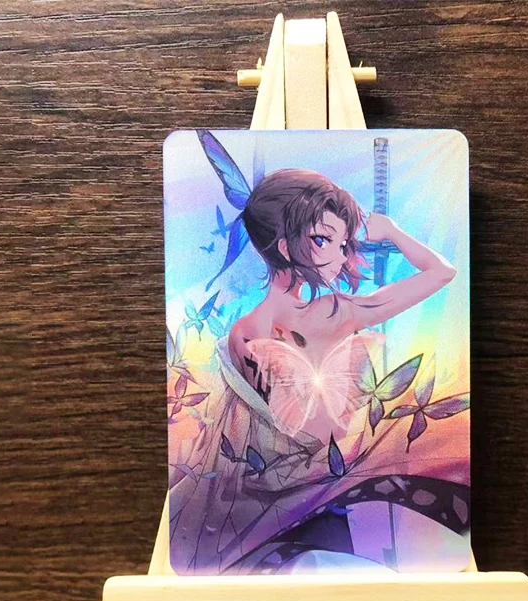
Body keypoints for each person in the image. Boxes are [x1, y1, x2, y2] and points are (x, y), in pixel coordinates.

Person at [168, 169, 470, 576]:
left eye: (344, 245)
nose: (343, 257)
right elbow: (441, 272)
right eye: (325, 241)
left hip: (250, 508)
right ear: (285, 246)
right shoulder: (334, 313)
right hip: (319, 496)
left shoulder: (240, 333)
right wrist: (391, 231)